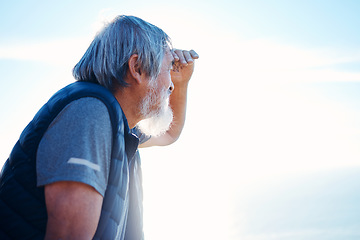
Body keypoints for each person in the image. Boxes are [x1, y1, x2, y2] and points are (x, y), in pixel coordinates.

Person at [0, 15, 198, 240]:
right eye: (167, 69)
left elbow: (169, 133)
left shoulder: (117, 124)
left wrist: (182, 82)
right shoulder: (90, 114)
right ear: (138, 67)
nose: (170, 85)